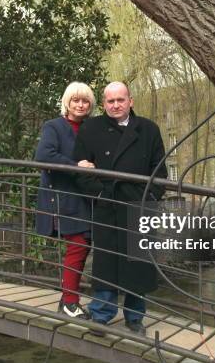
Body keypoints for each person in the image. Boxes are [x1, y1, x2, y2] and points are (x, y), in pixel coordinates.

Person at [73, 81, 167, 336]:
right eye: (110, 101)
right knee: (106, 263)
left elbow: (161, 173)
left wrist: (148, 200)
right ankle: (101, 314)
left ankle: (135, 318)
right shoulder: (91, 128)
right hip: (107, 205)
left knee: (137, 264)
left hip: (138, 206)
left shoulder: (148, 129)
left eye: (120, 100)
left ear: (130, 101)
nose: (115, 105)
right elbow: (79, 169)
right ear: (104, 104)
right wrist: (101, 194)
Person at [35, 81, 96, 319]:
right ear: (67, 103)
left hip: (85, 197)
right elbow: (44, 155)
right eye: (75, 100)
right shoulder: (54, 126)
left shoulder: (92, 128)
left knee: (84, 244)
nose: (80, 105)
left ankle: (68, 298)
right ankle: (70, 301)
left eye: (85, 101)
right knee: (78, 245)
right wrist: (76, 166)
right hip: (62, 197)